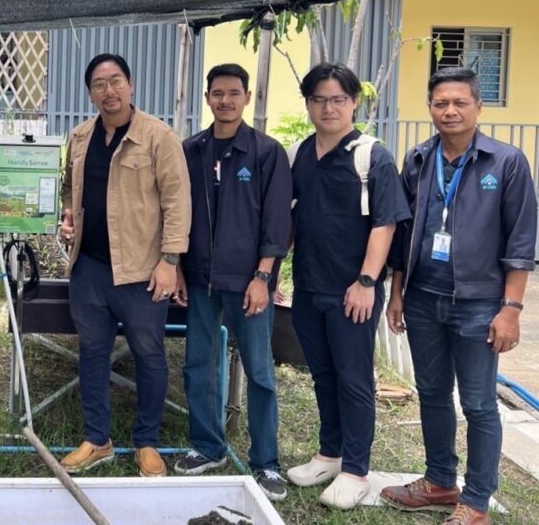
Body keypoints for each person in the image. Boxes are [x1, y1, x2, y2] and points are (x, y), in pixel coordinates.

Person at [381, 68, 536, 525]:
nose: (449, 111)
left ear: (478, 107)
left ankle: (477, 501)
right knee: (431, 392)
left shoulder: (506, 162)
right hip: (423, 297)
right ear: (430, 107)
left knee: (479, 403)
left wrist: (511, 309)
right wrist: (397, 292)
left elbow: (521, 240)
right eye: (440, 103)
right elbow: (403, 232)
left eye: (459, 102)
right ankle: (439, 481)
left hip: (480, 303)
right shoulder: (418, 159)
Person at [57, 53, 191, 478]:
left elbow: (177, 202)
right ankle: (97, 439)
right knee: (92, 352)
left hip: (142, 270)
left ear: (130, 86)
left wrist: (170, 260)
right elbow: (68, 187)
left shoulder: (158, 137)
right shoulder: (80, 137)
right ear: (90, 93)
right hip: (89, 267)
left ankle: (146, 442)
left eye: (116, 81)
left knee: (149, 353)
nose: (109, 91)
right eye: (99, 84)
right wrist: (67, 215)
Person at [286, 62, 409, 509]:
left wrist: (366, 281)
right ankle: (329, 454)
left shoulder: (371, 156)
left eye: (338, 99)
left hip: (353, 291)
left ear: (354, 102)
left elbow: (385, 223)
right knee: (322, 374)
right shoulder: (300, 153)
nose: (329, 108)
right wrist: (272, 272)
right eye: (319, 99)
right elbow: (292, 217)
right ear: (308, 104)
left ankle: (356, 470)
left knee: (353, 379)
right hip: (308, 287)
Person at [176, 64, 291, 501]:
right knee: (198, 365)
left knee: (259, 371)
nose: (225, 100)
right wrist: (179, 267)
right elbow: (178, 214)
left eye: (234, 93)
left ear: (246, 97)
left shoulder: (266, 152)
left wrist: (263, 276)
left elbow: (277, 221)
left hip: (248, 282)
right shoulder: (191, 150)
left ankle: (266, 463)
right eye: (217, 93)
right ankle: (207, 447)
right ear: (207, 97)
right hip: (199, 277)